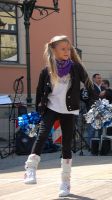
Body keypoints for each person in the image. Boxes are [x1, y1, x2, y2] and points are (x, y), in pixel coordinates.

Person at [23, 35, 95, 197]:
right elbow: (40, 92)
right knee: (42, 135)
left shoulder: (76, 68)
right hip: (51, 108)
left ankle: (65, 182)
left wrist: (94, 104)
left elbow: (89, 86)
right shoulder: (47, 70)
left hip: (69, 110)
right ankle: (30, 169)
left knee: (67, 144)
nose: (66, 51)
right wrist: (39, 112)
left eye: (68, 48)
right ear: (53, 50)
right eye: (63, 49)